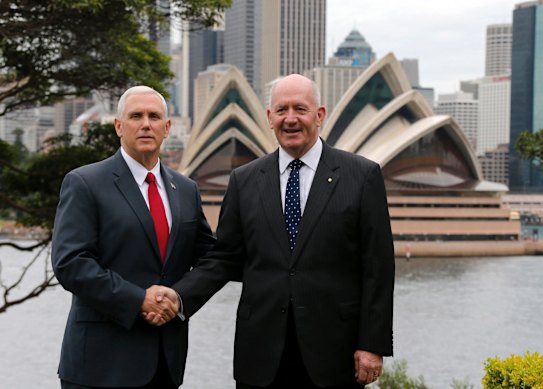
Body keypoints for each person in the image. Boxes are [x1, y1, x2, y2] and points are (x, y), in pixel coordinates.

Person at [151, 74, 395, 388]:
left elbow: (378, 268)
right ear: (269, 118)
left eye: (300, 109)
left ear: (319, 115)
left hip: (335, 353)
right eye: (281, 110)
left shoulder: (362, 176)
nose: (290, 119)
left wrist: (372, 344)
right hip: (261, 354)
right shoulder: (244, 180)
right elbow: (224, 258)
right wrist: (177, 297)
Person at [51, 85, 215, 389]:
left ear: (167, 128)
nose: (145, 124)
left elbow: (211, 259)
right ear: (118, 126)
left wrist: (179, 299)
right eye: (135, 116)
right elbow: (71, 263)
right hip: (99, 367)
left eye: (154, 117)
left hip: (165, 363)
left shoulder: (187, 189)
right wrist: (139, 299)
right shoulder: (85, 183)